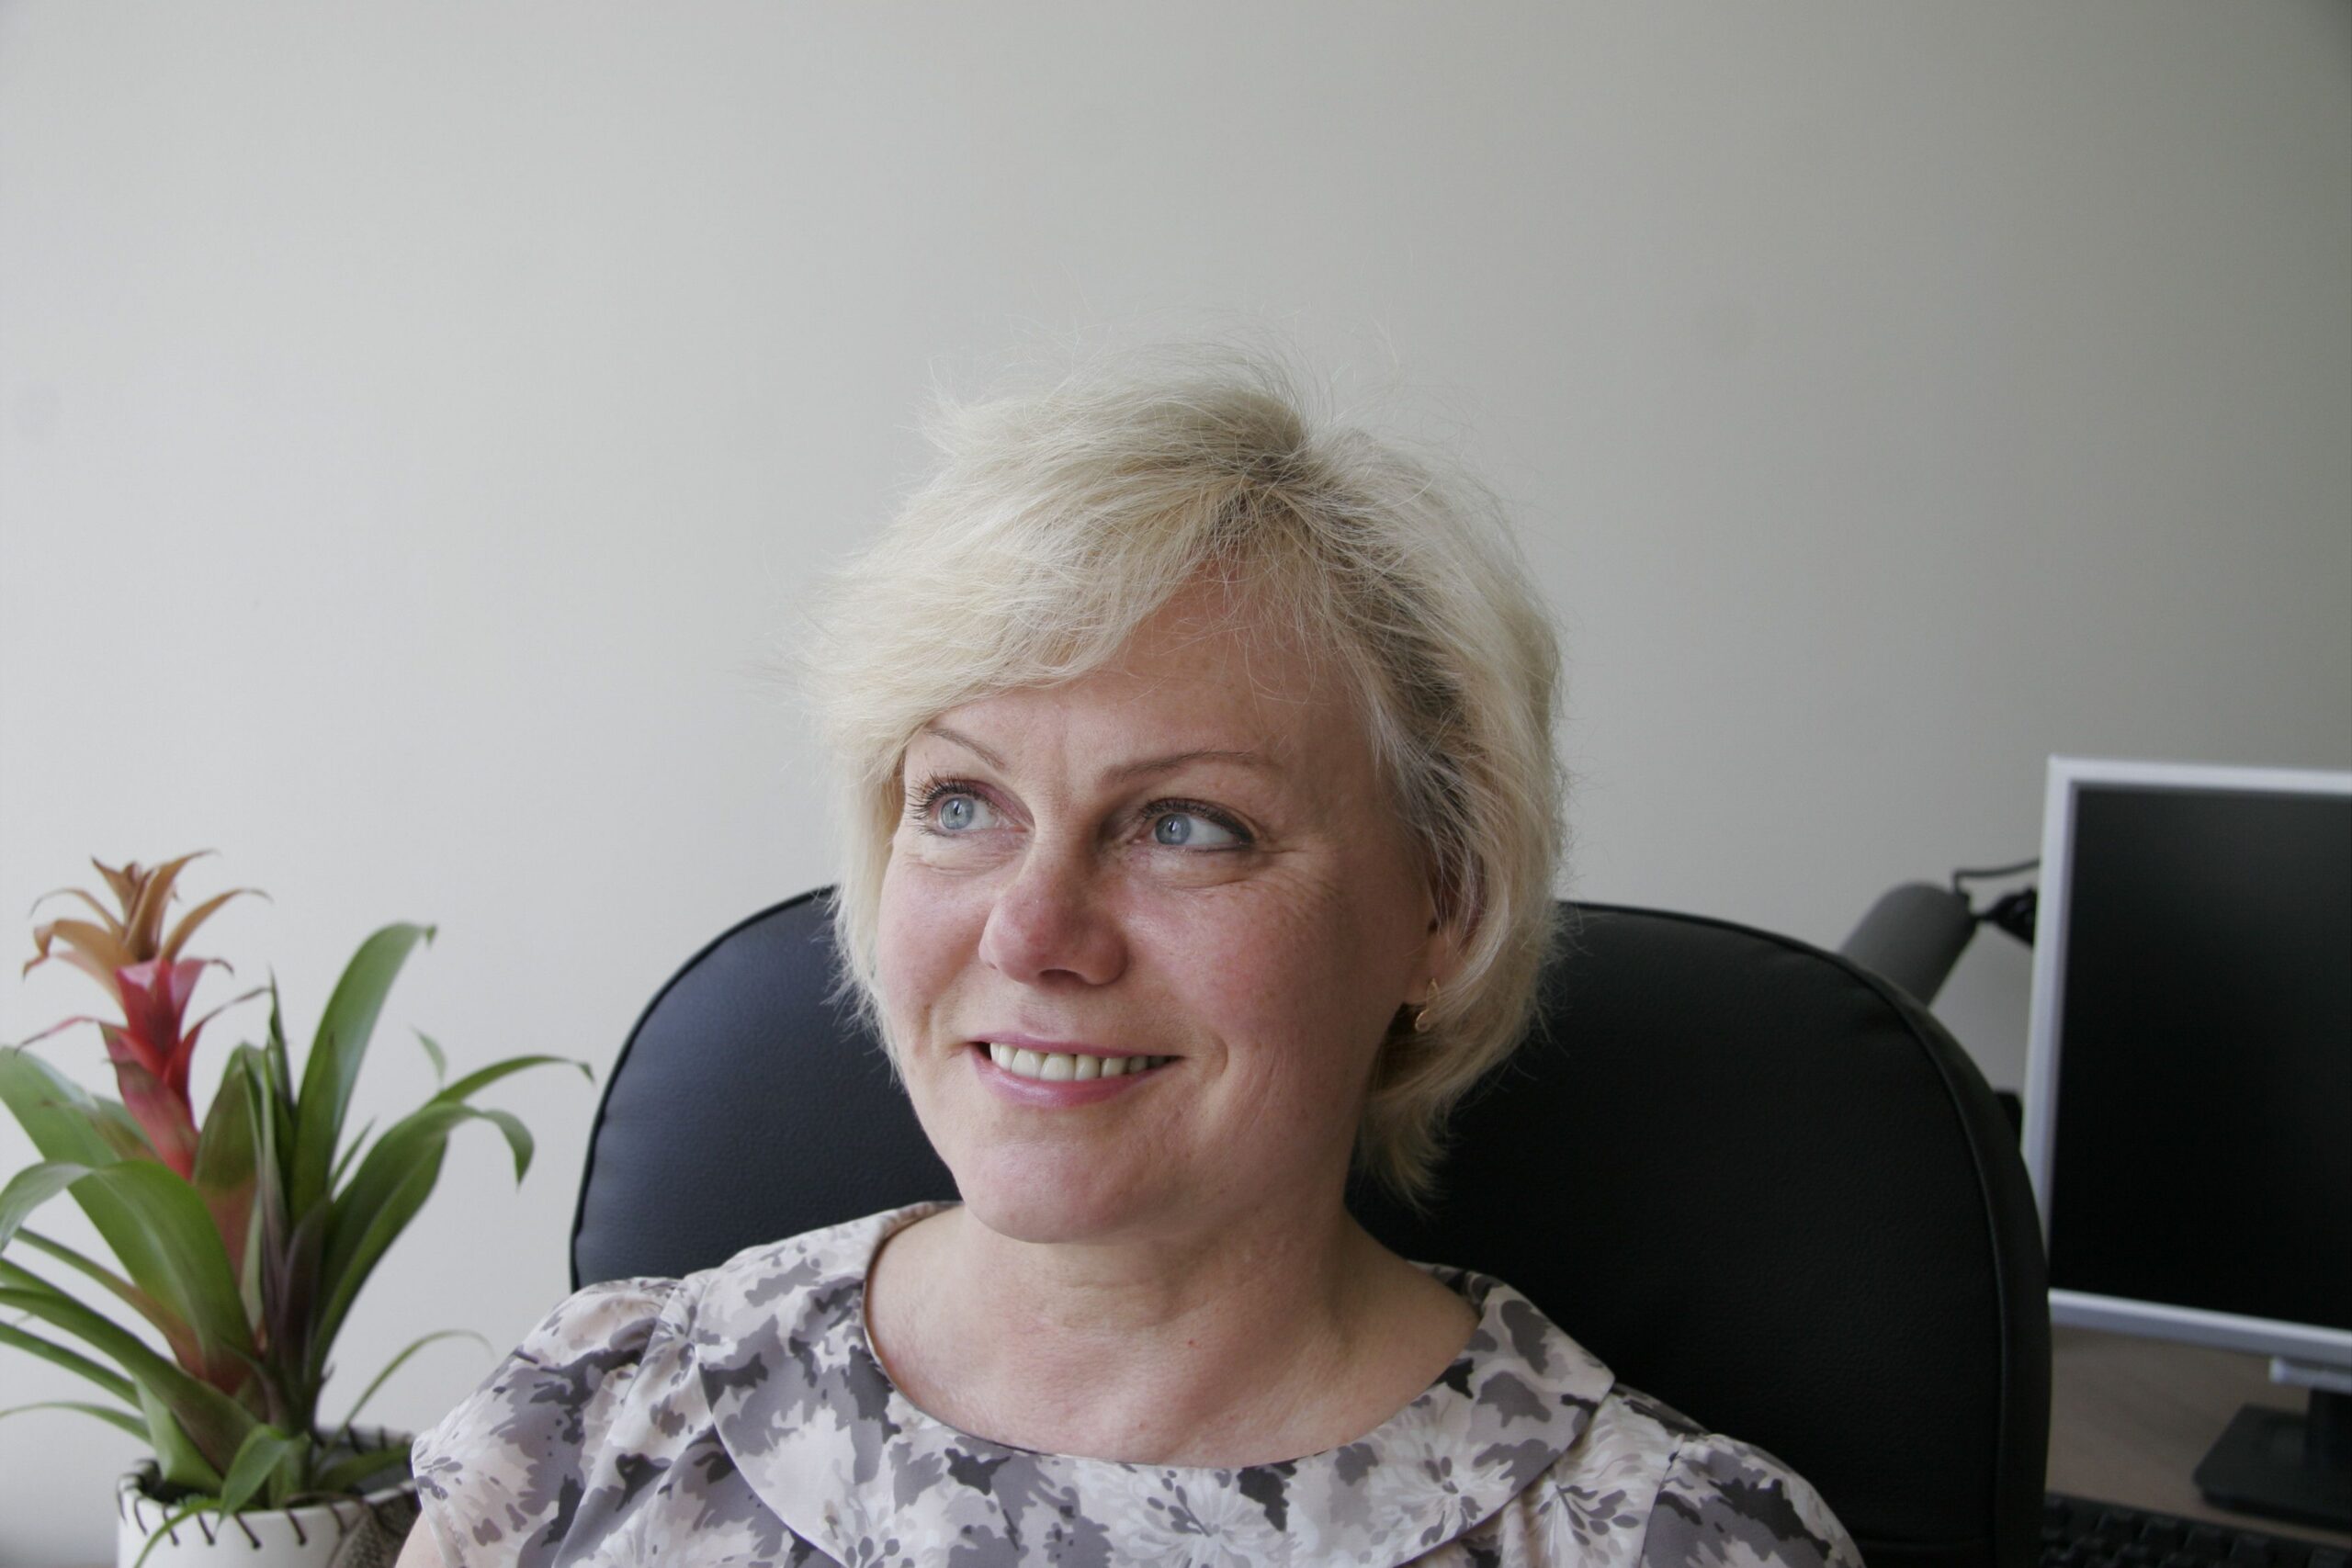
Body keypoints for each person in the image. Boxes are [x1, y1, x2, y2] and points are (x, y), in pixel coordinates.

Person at [399, 347, 1863, 1567]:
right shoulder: (590, 1436)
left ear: (1447, 906)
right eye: (959, 804)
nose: (1031, 932)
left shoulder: (1668, 1544)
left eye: (1186, 825)